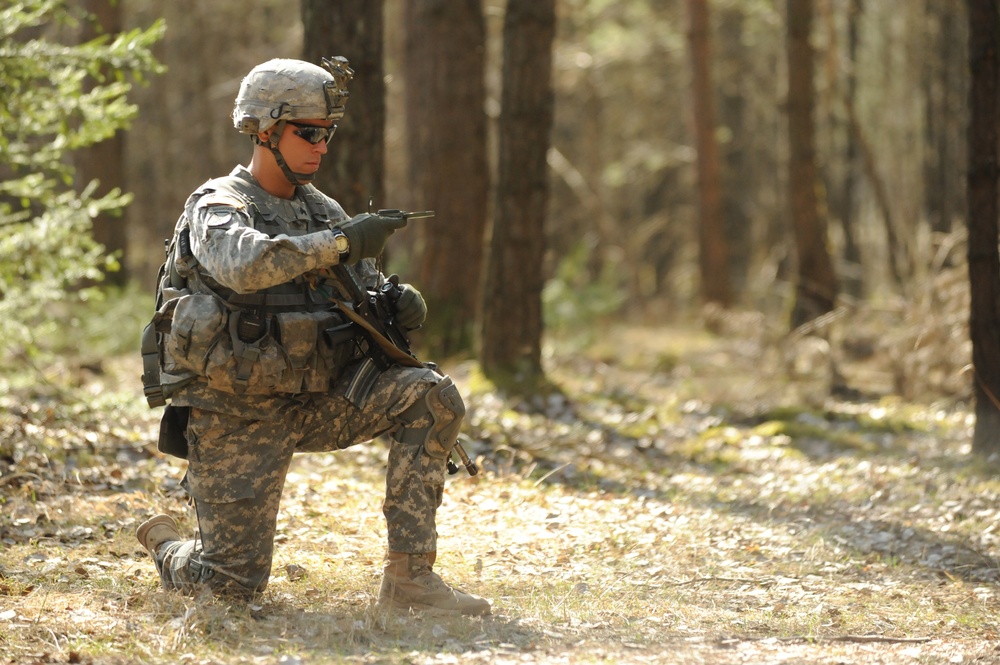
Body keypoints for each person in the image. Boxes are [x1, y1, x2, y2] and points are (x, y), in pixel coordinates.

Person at [135, 57, 490, 616]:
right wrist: (342, 243)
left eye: (327, 133)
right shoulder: (217, 204)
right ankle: (167, 547)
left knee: (431, 394)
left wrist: (397, 303)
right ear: (264, 130)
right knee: (231, 587)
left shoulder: (322, 211)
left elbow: (359, 291)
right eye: (307, 133)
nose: (321, 147)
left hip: (319, 400)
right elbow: (243, 264)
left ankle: (410, 582)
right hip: (237, 413)